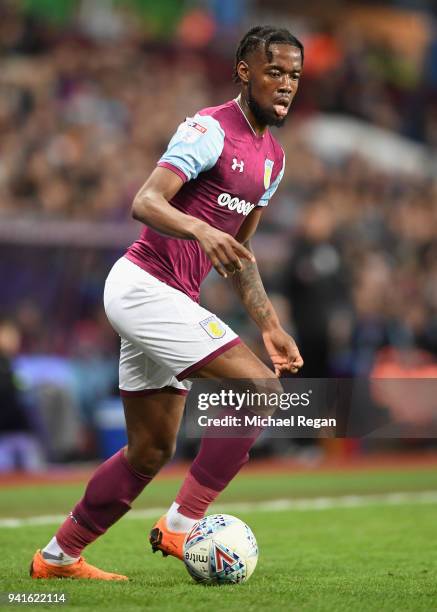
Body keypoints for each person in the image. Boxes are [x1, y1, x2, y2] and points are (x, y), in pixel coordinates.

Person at [30, 25, 304, 580]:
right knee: (259, 391)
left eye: (295, 75)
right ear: (245, 70)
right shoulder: (208, 129)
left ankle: (58, 557)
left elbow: (241, 252)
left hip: (172, 299)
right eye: (274, 71)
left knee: (150, 450)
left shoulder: (272, 160)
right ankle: (182, 526)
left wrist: (270, 326)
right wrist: (200, 231)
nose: (286, 85)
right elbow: (146, 201)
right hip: (141, 285)